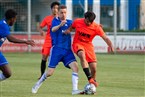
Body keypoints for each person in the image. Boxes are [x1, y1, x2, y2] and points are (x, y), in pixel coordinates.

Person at [32, 5, 82, 95]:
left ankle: (74, 90)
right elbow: (53, 29)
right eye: (61, 12)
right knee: (50, 73)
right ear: (58, 13)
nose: (63, 14)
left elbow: (79, 25)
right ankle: (37, 84)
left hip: (67, 51)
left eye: (65, 12)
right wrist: (60, 25)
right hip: (57, 50)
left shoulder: (70, 22)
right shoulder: (54, 21)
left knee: (75, 67)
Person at [65, 11, 114, 87]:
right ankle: (89, 78)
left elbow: (105, 38)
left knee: (94, 68)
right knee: (82, 54)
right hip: (77, 43)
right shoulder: (77, 21)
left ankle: (91, 85)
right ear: (85, 18)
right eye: (87, 21)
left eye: (90, 22)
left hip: (88, 46)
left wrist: (110, 45)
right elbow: (71, 27)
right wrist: (68, 30)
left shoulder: (96, 27)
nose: (88, 23)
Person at [0, 9, 35, 81]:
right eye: (15, 19)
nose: (15, 21)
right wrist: (25, 42)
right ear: (12, 19)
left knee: (7, 73)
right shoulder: (3, 25)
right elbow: (10, 39)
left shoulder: (6, 24)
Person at [37, 1, 60, 78]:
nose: (55, 9)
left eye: (57, 8)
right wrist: (41, 31)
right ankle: (42, 75)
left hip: (57, 41)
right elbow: (40, 26)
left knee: (55, 57)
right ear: (51, 9)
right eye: (54, 8)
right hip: (48, 40)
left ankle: (50, 71)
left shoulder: (60, 19)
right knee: (44, 57)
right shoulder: (47, 18)